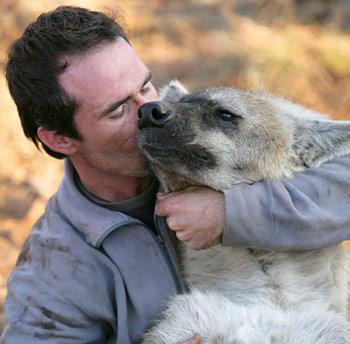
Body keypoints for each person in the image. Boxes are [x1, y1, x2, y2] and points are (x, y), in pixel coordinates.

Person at [1, 5, 350, 344]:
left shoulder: (209, 139)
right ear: (59, 138)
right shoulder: (52, 273)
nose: (150, 110)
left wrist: (232, 213)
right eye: (118, 109)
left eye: (146, 85)